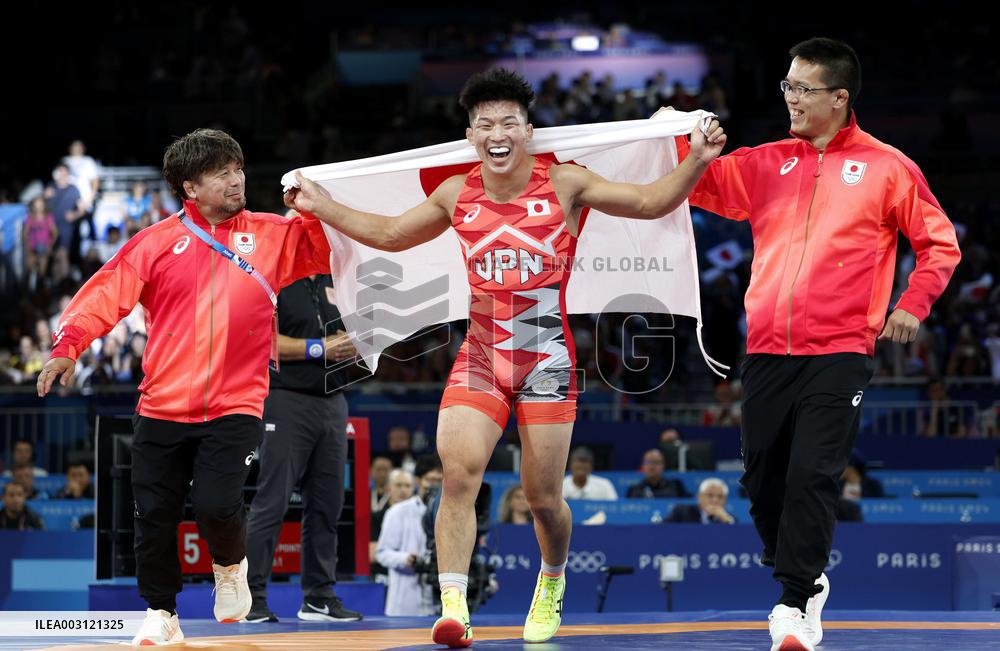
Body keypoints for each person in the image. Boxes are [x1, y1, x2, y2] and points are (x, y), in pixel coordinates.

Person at [284, 67, 725, 647]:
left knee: (543, 499)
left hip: (547, 359)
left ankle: (552, 578)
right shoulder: (454, 193)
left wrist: (696, 159)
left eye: (508, 122)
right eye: (485, 122)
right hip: (481, 359)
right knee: (458, 477)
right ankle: (453, 606)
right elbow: (391, 235)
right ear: (471, 135)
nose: (497, 131)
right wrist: (320, 205)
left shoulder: (565, 182)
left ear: (528, 130)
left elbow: (648, 202)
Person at [676, 38, 960, 651]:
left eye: (803, 88)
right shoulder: (766, 161)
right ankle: (803, 574)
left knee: (813, 474)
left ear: (839, 97)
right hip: (767, 350)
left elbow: (940, 244)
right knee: (759, 479)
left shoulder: (889, 167)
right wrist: (679, 143)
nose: (791, 98)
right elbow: (695, 185)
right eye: (786, 86)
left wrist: (911, 305)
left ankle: (795, 599)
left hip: (840, 350)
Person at [36, 128, 333, 646]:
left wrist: (314, 209)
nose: (237, 179)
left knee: (218, 505)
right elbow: (103, 295)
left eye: (238, 168)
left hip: (236, 403)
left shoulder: (270, 234)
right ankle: (161, 613)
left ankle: (229, 566)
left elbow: (329, 249)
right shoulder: (153, 244)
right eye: (221, 172)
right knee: (153, 518)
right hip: (161, 406)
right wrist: (68, 346)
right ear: (189, 187)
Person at [243, 272, 363, 624]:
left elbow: (347, 339)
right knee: (272, 499)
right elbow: (260, 340)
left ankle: (319, 597)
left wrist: (357, 347)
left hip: (333, 399)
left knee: (328, 505)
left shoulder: (337, 280)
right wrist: (321, 347)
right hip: (285, 398)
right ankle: (251, 598)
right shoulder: (273, 280)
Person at [375, 456, 443, 616]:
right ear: (418, 480)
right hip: (405, 604)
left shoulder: (449, 515)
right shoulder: (397, 512)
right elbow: (382, 553)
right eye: (431, 480)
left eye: (440, 480)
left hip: (439, 602)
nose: (435, 485)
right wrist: (406, 559)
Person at [370, 468, 416, 580]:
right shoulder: (377, 517)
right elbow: (372, 554)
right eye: (398, 485)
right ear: (388, 488)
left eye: (407, 486)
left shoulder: (421, 516)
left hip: (412, 576)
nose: (403, 490)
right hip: (383, 577)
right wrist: (402, 557)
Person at [665, 478, 736, 524]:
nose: (715, 500)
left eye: (720, 497)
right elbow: (662, 530)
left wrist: (726, 520)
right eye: (710, 495)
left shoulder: (730, 519)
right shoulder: (681, 513)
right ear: (699, 497)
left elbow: (737, 540)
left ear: (725, 500)